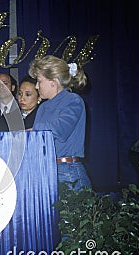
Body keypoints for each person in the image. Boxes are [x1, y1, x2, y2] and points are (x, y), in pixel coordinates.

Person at [28, 55, 91, 190]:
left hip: (68, 172)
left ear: (54, 82)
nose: (37, 86)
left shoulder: (73, 101)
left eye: (39, 81)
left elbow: (60, 129)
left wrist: (32, 131)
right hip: (46, 170)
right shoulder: (43, 107)